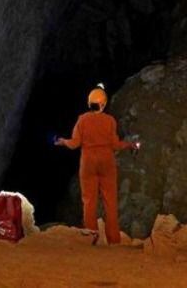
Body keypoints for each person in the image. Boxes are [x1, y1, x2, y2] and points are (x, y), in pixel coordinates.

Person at [55, 84, 140, 245]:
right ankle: (114, 240)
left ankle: (90, 238)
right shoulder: (109, 121)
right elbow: (115, 145)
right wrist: (130, 145)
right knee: (110, 201)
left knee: (89, 201)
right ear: (103, 104)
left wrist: (62, 141)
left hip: (88, 162)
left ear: (89, 103)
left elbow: (74, 144)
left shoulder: (82, 120)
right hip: (106, 162)